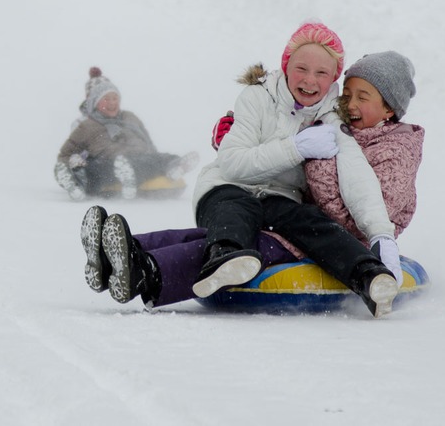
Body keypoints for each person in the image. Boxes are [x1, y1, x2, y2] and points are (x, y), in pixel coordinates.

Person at [81, 23, 404, 318]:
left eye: (321, 73)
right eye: (301, 68)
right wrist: (296, 148)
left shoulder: (335, 117)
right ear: (285, 66)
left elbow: (355, 172)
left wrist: (380, 234)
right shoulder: (257, 97)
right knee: (237, 214)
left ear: (333, 78)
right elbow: (233, 163)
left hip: (279, 199)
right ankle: (226, 257)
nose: (309, 80)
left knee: (309, 222)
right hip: (227, 187)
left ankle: (368, 275)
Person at [55, 67, 198, 201]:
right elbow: (66, 154)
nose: (112, 103)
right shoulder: (86, 126)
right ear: (95, 103)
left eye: (114, 98)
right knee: (99, 169)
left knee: (160, 158)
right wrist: (73, 163)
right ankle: (77, 180)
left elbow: (147, 141)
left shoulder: (129, 117)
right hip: (109, 162)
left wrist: (156, 158)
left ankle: (175, 167)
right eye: (106, 99)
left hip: (140, 157)